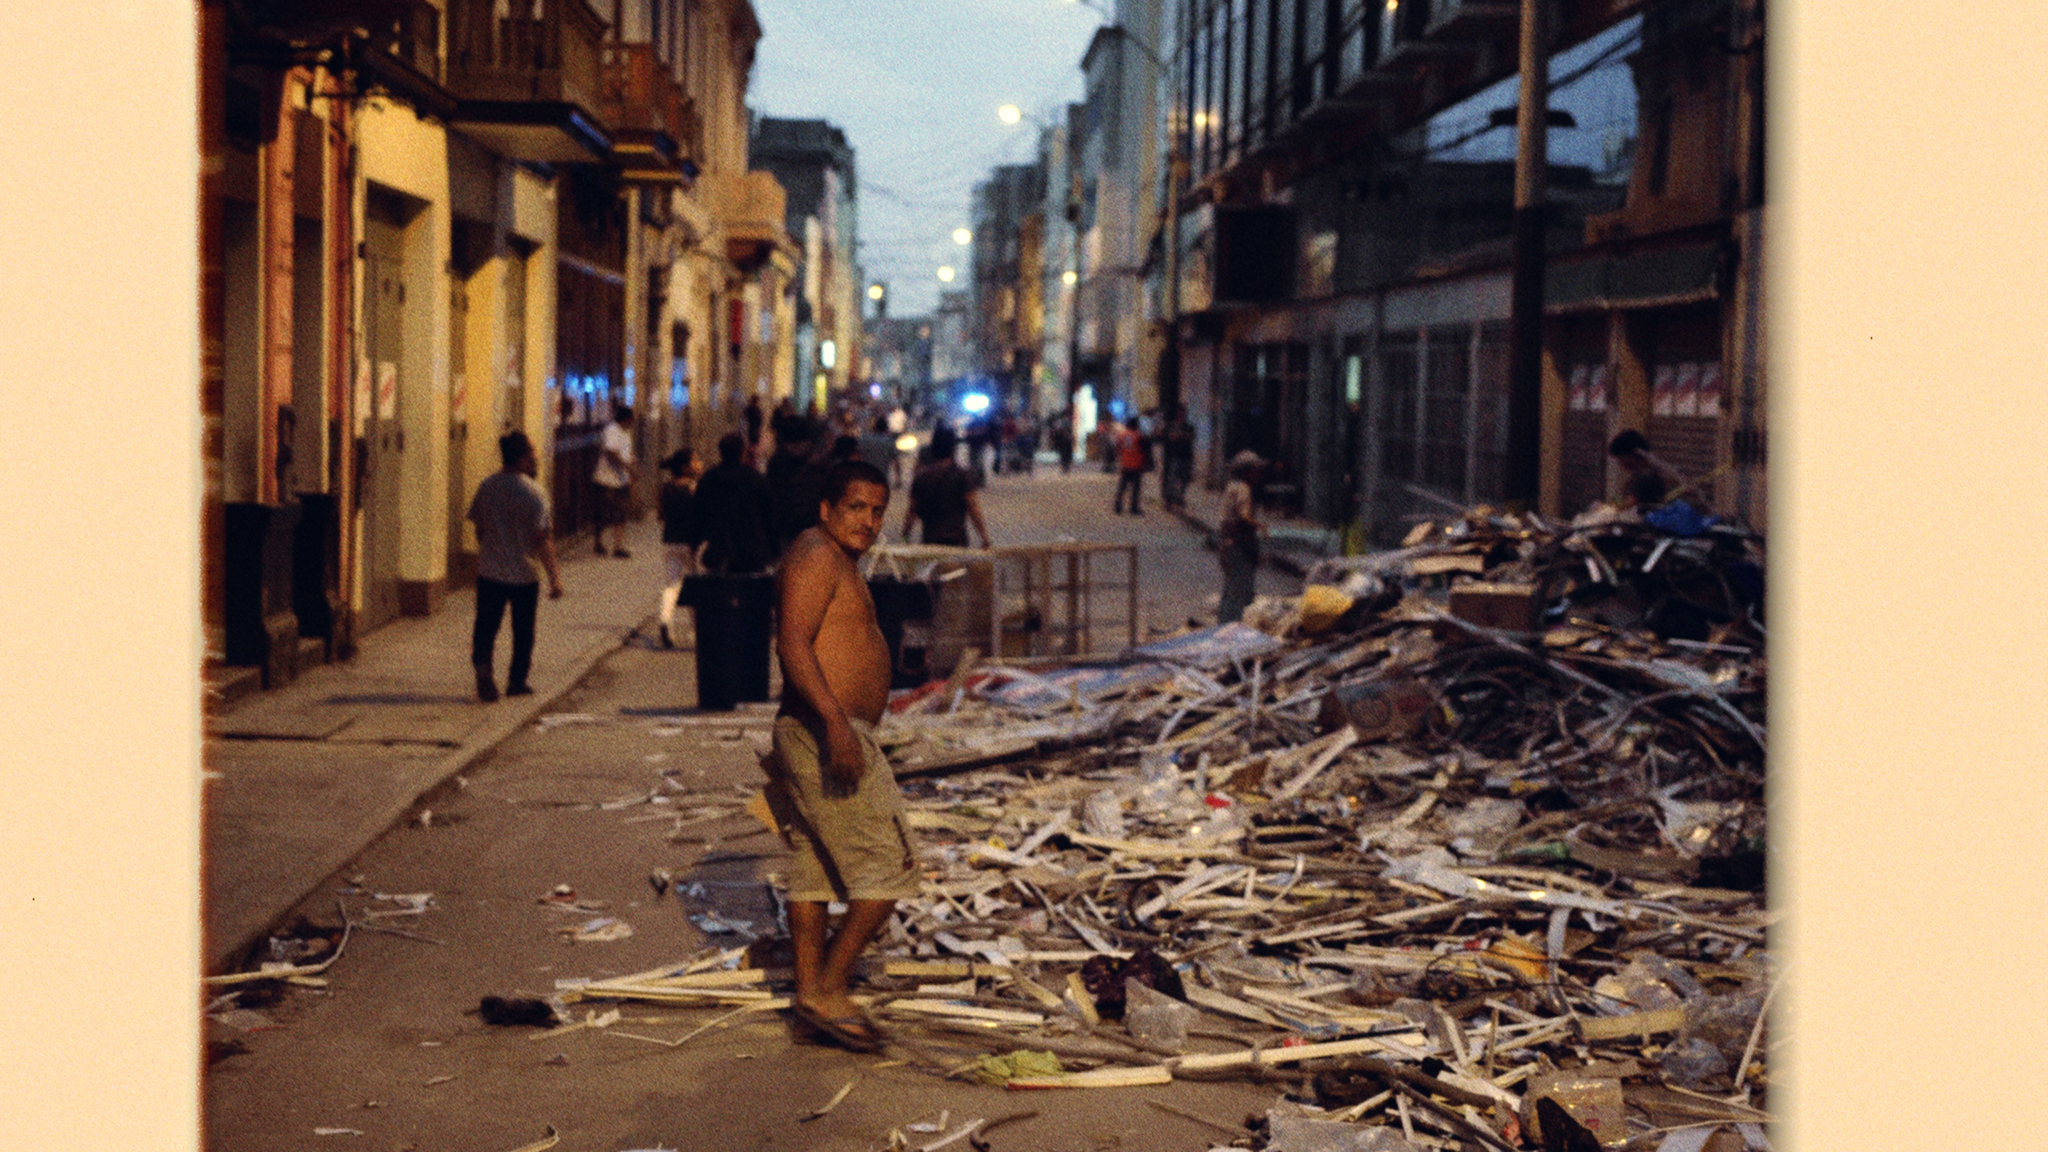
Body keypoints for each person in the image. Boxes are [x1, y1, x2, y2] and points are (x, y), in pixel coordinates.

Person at [764, 459, 918, 1052]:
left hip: (824, 730)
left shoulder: (837, 559)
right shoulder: (816, 554)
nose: (868, 522)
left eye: (877, 511)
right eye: (856, 508)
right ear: (827, 509)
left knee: (818, 872)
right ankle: (828, 988)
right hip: (822, 730)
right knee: (891, 865)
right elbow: (792, 642)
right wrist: (835, 721)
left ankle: (810, 1002)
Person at [468, 431, 564, 702]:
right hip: (525, 574)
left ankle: (484, 670)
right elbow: (542, 539)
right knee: (523, 632)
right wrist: (555, 578)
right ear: (522, 459)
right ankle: (516, 681)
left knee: (486, 627)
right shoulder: (535, 493)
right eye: (531, 453)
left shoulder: (487, 487)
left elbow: (479, 529)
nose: (535, 458)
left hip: (490, 572)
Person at [688, 431, 778, 575]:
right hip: (752, 551)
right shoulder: (756, 480)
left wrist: (695, 543)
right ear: (742, 452)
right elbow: (769, 515)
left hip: (719, 551)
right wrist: (774, 549)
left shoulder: (709, 479)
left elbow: (697, 514)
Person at [904, 425, 991, 548]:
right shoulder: (961, 476)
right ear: (953, 449)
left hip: (930, 540)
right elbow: (973, 507)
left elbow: (911, 511)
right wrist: (984, 537)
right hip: (957, 541)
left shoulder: (921, 478)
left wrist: (904, 536)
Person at [655, 448, 701, 650]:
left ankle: (665, 620)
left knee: (672, 585)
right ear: (685, 467)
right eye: (695, 461)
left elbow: (660, 515)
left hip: (670, 541)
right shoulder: (693, 487)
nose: (699, 464)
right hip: (690, 543)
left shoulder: (665, 488)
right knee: (695, 586)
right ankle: (697, 631)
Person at [1217, 450, 1264, 624]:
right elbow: (1244, 517)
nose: (1259, 475)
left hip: (1227, 544)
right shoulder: (1244, 489)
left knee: (1230, 589)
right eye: (1256, 471)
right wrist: (1260, 526)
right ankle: (1233, 627)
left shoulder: (1231, 487)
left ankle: (1223, 624)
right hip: (1240, 546)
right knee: (1241, 591)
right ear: (1247, 472)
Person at [592, 406, 636, 557]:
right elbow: (610, 452)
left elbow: (625, 452)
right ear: (626, 419)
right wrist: (628, 468)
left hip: (621, 480)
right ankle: (599, 543)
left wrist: (631, 463)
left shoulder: (626, 433)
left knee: (621, 513)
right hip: (606, 480)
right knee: (603, 514)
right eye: (631, 420)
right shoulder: (612, 430)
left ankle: (618, 546)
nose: (632, 423)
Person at [1608, 429, 1685, 509]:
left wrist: (1610, 508)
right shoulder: (1657, 470)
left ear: (1632, 456)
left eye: (1621, 458)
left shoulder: (1644, 476)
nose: (1620, 463)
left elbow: (1629, 503)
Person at [1112, 418, 1150, 515]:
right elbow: (1145, 450)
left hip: (1125, 464)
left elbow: (1117, 447)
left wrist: (1120, 457)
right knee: (1135, 488)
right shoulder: (1139, 435)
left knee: (1122, 486)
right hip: (1137, 464)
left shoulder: (1122, 435)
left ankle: (1118, 506)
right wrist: (1146, 463)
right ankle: (1133, 507)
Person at [1160, 404, 1194, 511]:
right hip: (1174, 456)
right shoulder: (1171, 426)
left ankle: (1179, 497)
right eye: (1180, 412)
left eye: (1183, 413)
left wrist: (1179, 436)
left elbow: (1190, 437)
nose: (1181, 415)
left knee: (1184, 479)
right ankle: (1169, 501)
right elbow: (1168, 437)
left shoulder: (1188, 426)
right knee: (1172, 478)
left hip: (1186, 456)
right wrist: (1179, 436)